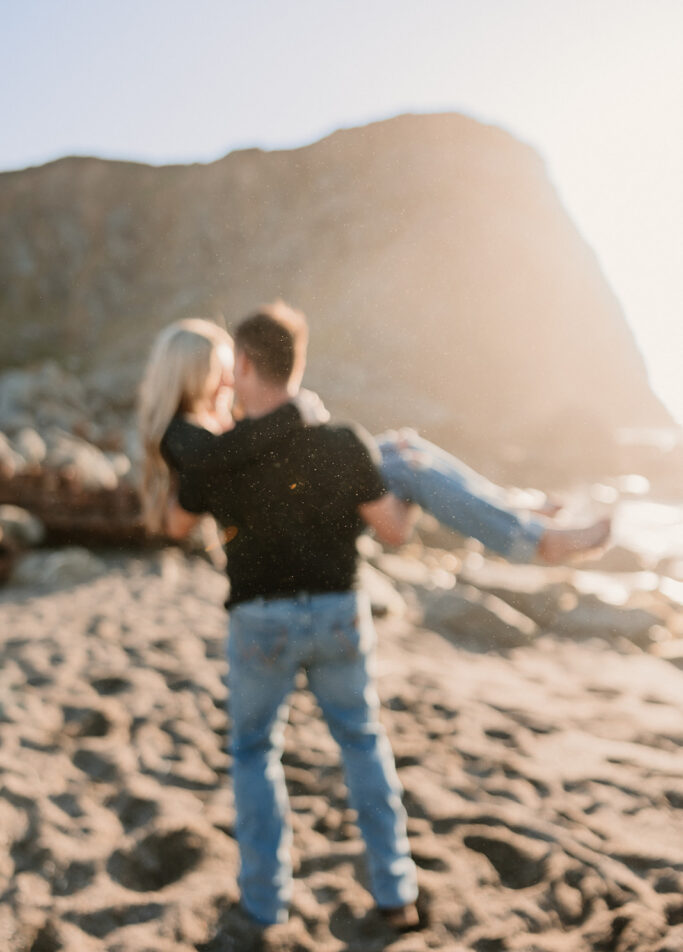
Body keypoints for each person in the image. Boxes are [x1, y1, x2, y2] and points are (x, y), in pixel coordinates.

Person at [141, 307, 421, 928]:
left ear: (242, 365)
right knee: (362, 742)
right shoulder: (342, 441)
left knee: (254, 753)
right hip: (339, 615)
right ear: (297, 365)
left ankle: (266, 904)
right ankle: (396, 893)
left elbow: (175, 526)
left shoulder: (220, 458)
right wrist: (410, 492)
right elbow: (395, 532)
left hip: (259, 621)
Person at [138, 315, 610, 564]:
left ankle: (513, 509)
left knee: (407, 447)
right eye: (221, 373)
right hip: (295, 501)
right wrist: (295, 411)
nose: (232, 383)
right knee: (408, 467)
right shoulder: (184, 435)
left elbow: (251, 449)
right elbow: (232, 460)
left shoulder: (206, 426)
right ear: (193, 375)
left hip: (298, 483)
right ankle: (536, 541)